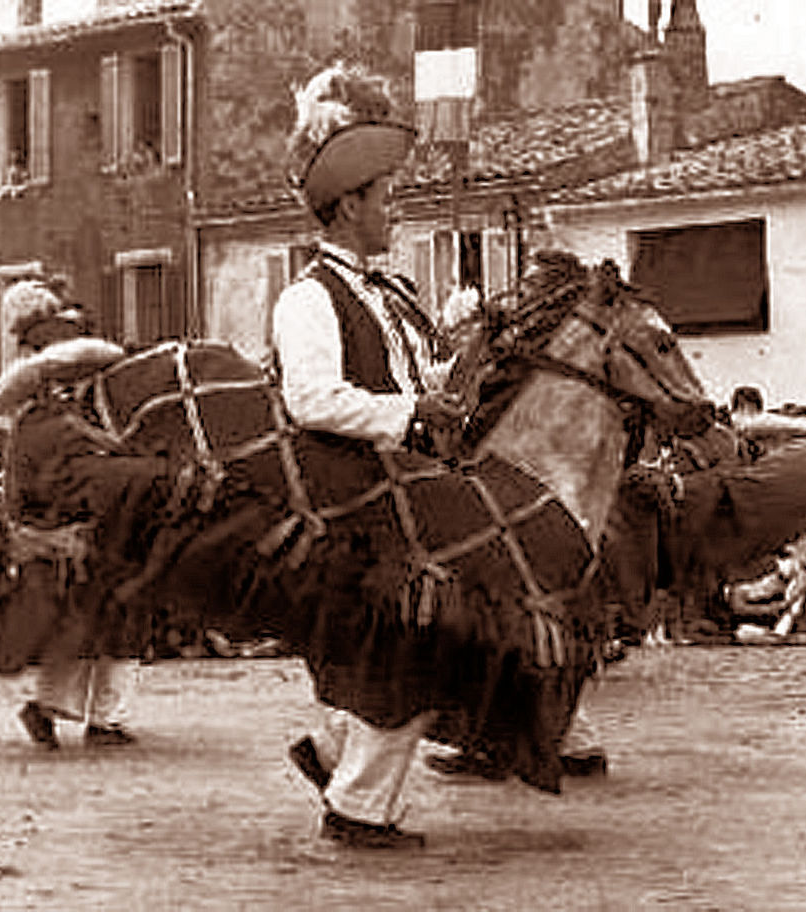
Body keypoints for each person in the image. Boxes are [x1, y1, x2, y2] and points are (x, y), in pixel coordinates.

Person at [274, 64, 482, 849]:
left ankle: (334, 751)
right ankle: (357, 806)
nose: (395, 208)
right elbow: (311, 400)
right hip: (351, 507)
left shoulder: (389, 294)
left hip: (405, 496)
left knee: (418, 644)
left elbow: (412, 382)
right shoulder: (307, 298)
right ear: (349, 204)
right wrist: (411, 411)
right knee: (418, 641)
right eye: (386, 196)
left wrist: (457, 366)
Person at [5, 278, 139, 751]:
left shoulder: (59, 418)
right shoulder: (53, 421)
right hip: (72, 539)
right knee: (91, 627)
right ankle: (73, 714)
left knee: (105, 625)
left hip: (91, 536)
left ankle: (94, 716)